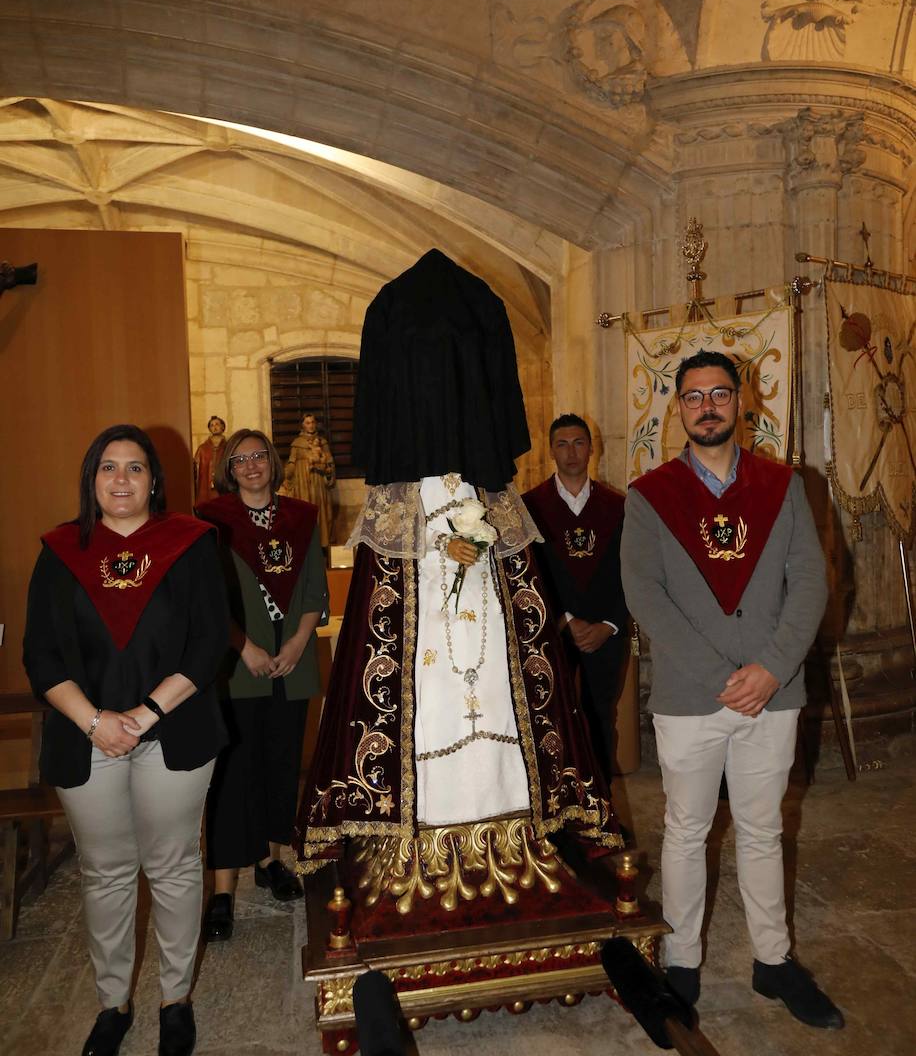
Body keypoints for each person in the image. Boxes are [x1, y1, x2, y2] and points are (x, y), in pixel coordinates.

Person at [298, 250, 623, 884]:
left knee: (504, 674)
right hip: (422, 530)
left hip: (478, 531)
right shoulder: (443, 310)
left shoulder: (418, 310)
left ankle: (516, 816)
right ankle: (408, 832)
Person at [620, 350, 843, 1028]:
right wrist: (720, 676)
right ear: (679, 408)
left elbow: (810, 583)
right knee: (686, 829)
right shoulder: (649, 495)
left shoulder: (784, 486)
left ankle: (773, 961)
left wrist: (773, 667)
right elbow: (644, 595)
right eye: (694, 396)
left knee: (763, 828)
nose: (708, 406)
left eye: (720, 394)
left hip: (772, 693)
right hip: (693, 697)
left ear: (742, 404)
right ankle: (682, 962)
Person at [23, 424, 229, 1056]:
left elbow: (207, 642)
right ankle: (113, 1004)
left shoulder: (190, 546)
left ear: (153, 481)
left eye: (134, 468)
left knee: (172, 866)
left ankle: (175, 1000)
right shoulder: (60, 553)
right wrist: (95, 722)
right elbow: (40, 654)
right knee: (105, 872)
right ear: (91, 480)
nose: (120, 479)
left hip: (171, 731)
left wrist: (143, 713)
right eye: (107, 468)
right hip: (87, 738)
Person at [197, 428, 328, 940]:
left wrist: (298, 642)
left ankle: (272, 862)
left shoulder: (301, 516)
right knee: (233, 773)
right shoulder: (212, 519)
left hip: (291, 658)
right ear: (228, 469)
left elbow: (314, 582)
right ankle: (223, 890)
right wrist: (242, 646)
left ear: (273, 463)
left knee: (280, 762)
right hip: (239, 661)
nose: (250, 465)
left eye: (258, 457)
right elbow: (208, 596)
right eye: (239, 459)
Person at [523, 414, 627, 778]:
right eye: (562, 444)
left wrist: (610, 624)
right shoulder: (529, 509)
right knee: (551, 716)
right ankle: (561, 810)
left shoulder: (618, 507)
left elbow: (630, 574)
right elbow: (529, 576)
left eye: (579, 442)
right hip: (551, 631)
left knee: (601, 716)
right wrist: (564, 619)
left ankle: (604, 813)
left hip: (606, 632)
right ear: (551, 450)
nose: (571, 452)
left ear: (591, 448)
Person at [283, 413, 336, 549]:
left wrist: (328, 471)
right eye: (307, 422)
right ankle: (306, 545)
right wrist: (287, 475)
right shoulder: (297, 443)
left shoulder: (322, 443)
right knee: (305, 512)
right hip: (302, 484)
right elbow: (291, 462)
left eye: (312, 422)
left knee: (321, 512)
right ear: (302, 424)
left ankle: (322, 544)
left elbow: (329, 463)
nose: (311, 425)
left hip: (318, 483)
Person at [193, 414, 227, 506]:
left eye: (217, 424)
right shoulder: (202, 449)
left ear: (222, 427)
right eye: (212, 425)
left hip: (223, 489)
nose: (214, 427)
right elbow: (194, 469)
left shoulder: (228, 447)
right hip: (206, 490)